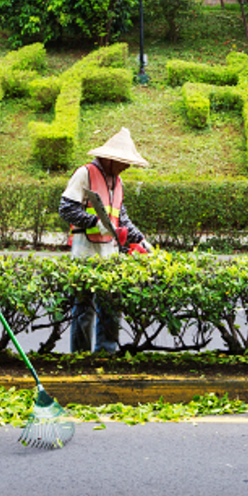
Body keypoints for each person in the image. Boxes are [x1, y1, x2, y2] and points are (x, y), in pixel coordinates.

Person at [58, 127, 151, 353]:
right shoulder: (85, 174)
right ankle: (80, 356)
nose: (127, 166)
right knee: (84, 308)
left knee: (111, 306)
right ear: (110, 159)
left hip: (109, 254)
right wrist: (93, 222)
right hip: (85, 252)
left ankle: (105, 353)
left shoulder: (118, 181)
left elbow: (122, 219)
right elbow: (66, 209)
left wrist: (142, 240)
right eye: (123, 161)